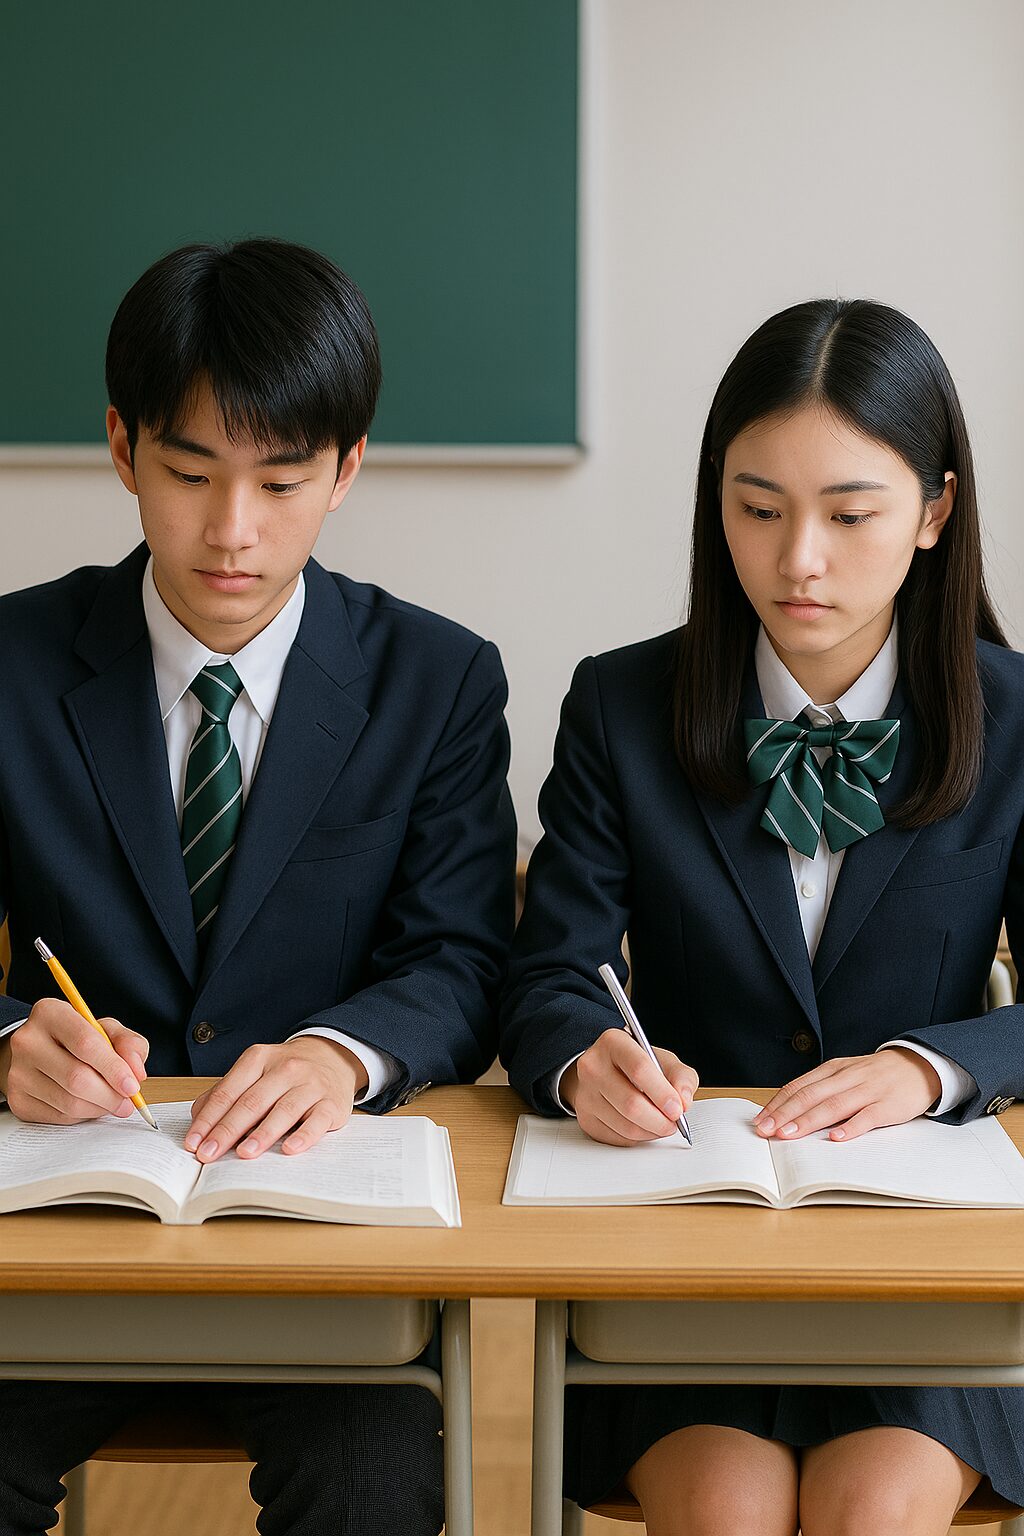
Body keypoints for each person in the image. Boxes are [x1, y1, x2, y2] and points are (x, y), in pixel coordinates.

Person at [0, 237, 516, 1536]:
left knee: (375, 1483)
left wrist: (341, 1054)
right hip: (55, 1235)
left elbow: (460, 962)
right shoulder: (9, 663)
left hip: (321, 1242)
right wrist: (11, 1040)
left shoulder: (437, 682)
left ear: (347, 469)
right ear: (120, 447)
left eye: (282, 481)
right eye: (187, 473)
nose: (231, 531)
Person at [500, 297, 1024, 1536]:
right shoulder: (620, 705)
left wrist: (927, 1068)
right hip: (690, 1247)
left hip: (924, 1271)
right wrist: (586, 1064)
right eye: (757, 508)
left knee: (865, 1515)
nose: (799, 561)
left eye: (851, 515)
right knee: (725, 1514)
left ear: (936, 512)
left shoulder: (1013, 722)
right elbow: (546, 973)